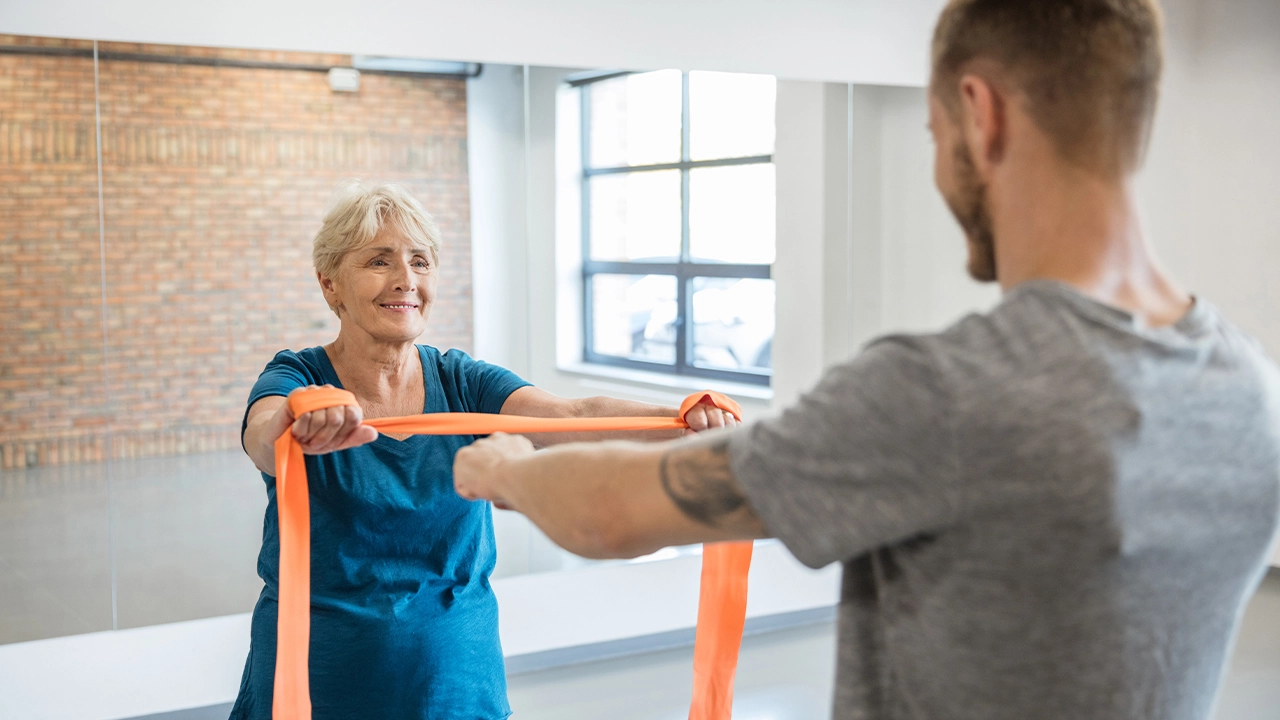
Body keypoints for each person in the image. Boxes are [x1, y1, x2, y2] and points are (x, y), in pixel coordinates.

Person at [452, 1, 1280, 718]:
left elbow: (608, 513)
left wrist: (503, 472)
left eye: (933, 133)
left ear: (979, 113)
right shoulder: (1250, 390)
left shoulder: (947, 393)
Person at [229, 181, 737, 720]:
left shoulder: (462, 381)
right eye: (379, 261)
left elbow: (572, 416)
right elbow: (263, 436)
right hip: (318, 677)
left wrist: (685, 419)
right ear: (330, 284)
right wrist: (295, 419)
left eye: (420, 262)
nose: (406, 280)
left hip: (453, 677)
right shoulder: (298, 377)